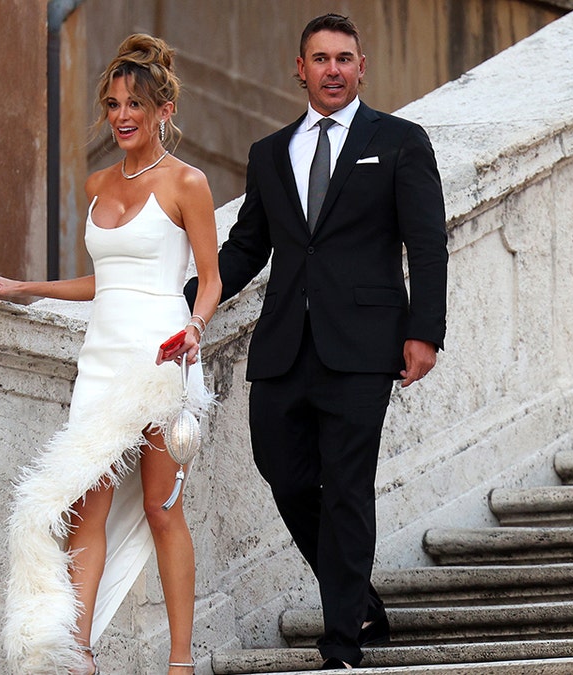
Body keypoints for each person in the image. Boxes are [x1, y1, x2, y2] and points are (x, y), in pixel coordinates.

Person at [184, 13, 447, 670]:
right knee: (283, 470)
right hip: (283, 346)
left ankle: (342, 644)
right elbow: (246, 248)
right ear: (300, 69)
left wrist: (425, 330)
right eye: (320, 58)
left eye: (344, 58)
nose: (333, 69)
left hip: (363, 344)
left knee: (348, 483)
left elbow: (426, 242)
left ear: (362, 67)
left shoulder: (400, 141)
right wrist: (178, 303)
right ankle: (356, 598)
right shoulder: (271, 153)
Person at [0, 34, 222, 675]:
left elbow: (210, 279)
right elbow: (103, 282)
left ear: (164, 109)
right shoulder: (97, 182)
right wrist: (26, 288)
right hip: (101, 360)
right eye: (112, 104)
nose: (122, 115)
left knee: (164, 509)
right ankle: (77, 656)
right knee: (87, 511)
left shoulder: (188, 184)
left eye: (135, 103)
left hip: (161, 356)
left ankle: (181, 661)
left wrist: (195, 326)